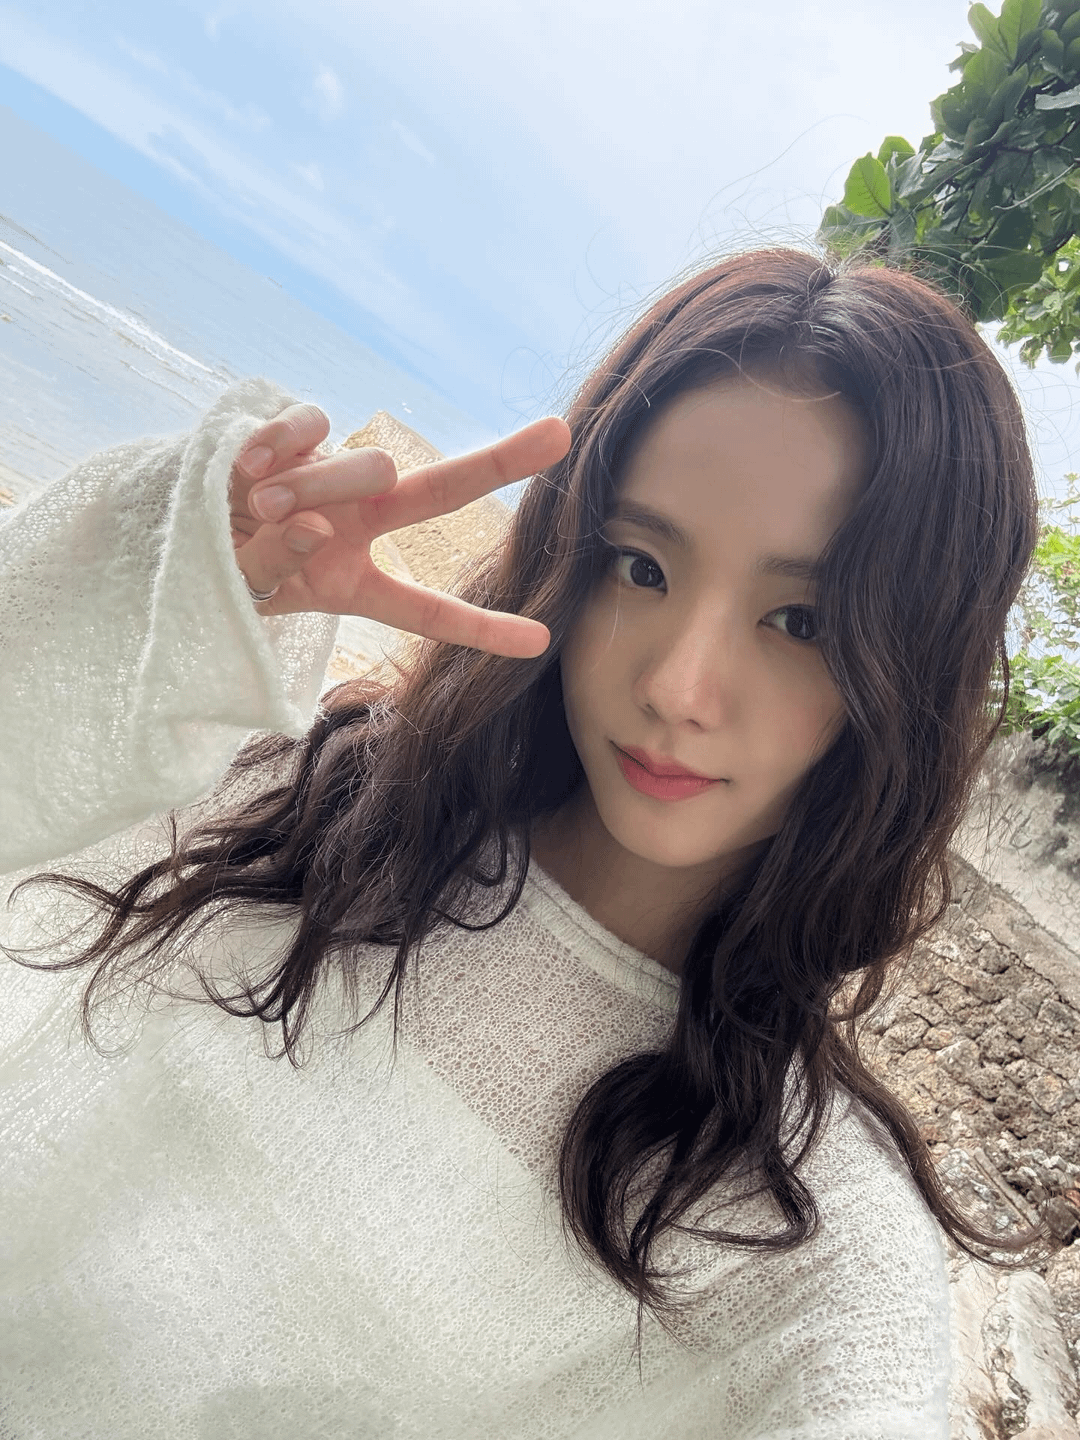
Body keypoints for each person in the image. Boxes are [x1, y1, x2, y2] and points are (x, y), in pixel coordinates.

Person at [0, 247, 1046, 1438]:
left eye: (801, 621)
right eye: (641, 566)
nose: (679, 685)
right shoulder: (316, 803)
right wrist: (160, 589)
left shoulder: (799, 1229)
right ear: (571, 554)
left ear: (912, 679)